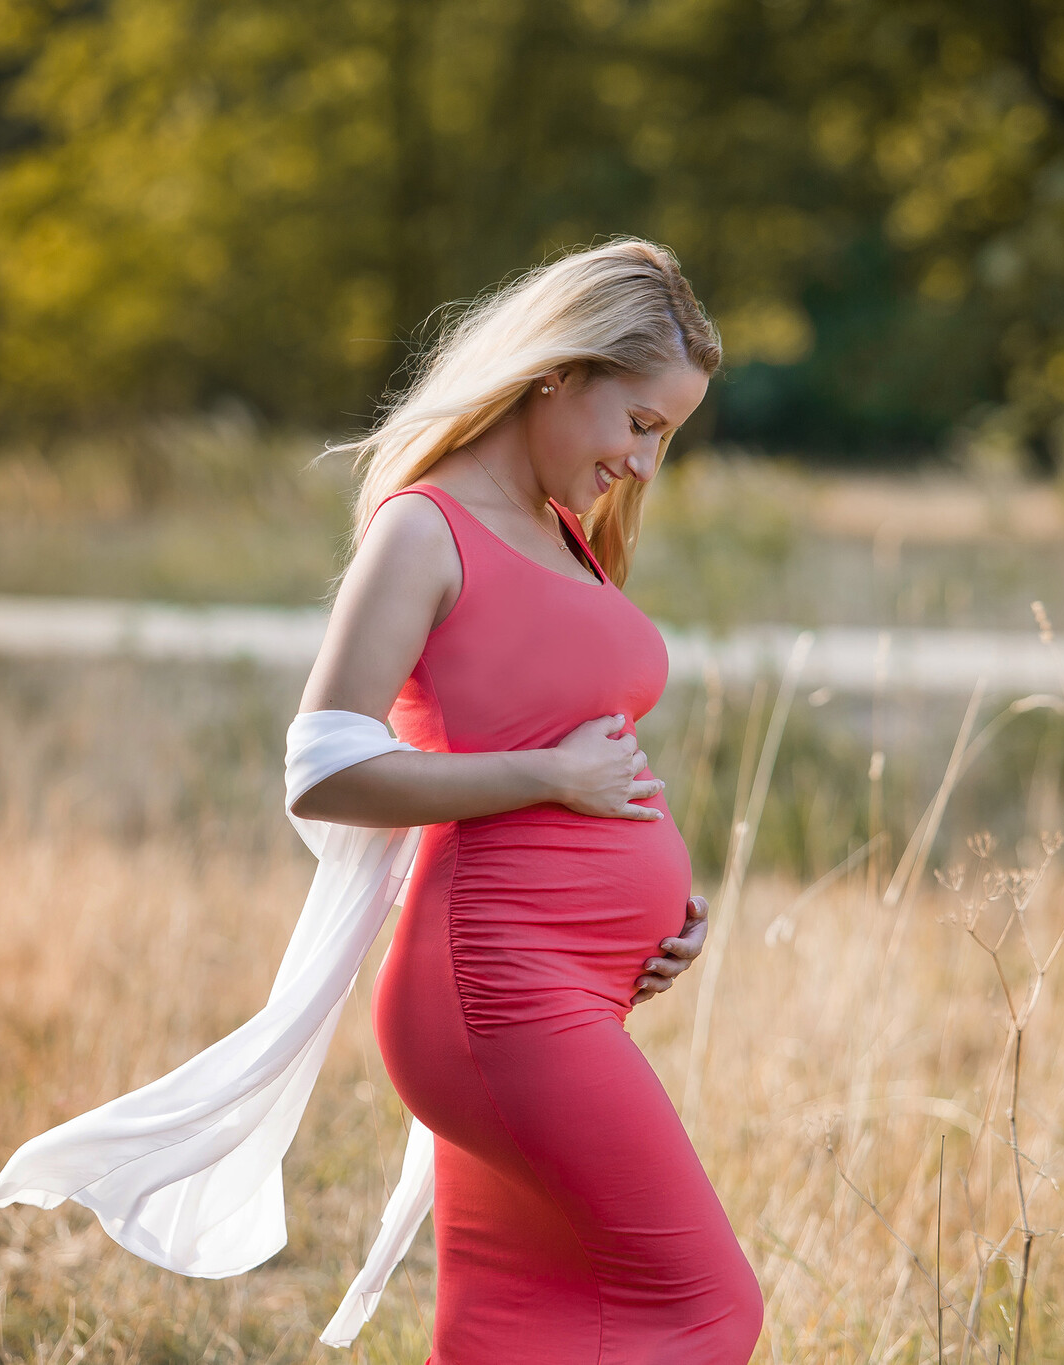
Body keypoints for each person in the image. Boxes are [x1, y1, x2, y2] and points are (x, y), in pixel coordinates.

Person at [293, 238, 765, 1362]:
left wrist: (656, 924)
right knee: (705, 1307)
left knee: (516, 1329)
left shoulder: (563, 530)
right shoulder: (424, 528)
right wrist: (547, 781)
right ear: (558, 371)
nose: (645, 465)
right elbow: (322, 766)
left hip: (565, 988)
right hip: (492, 990)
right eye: (640, 425)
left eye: (668, 438)